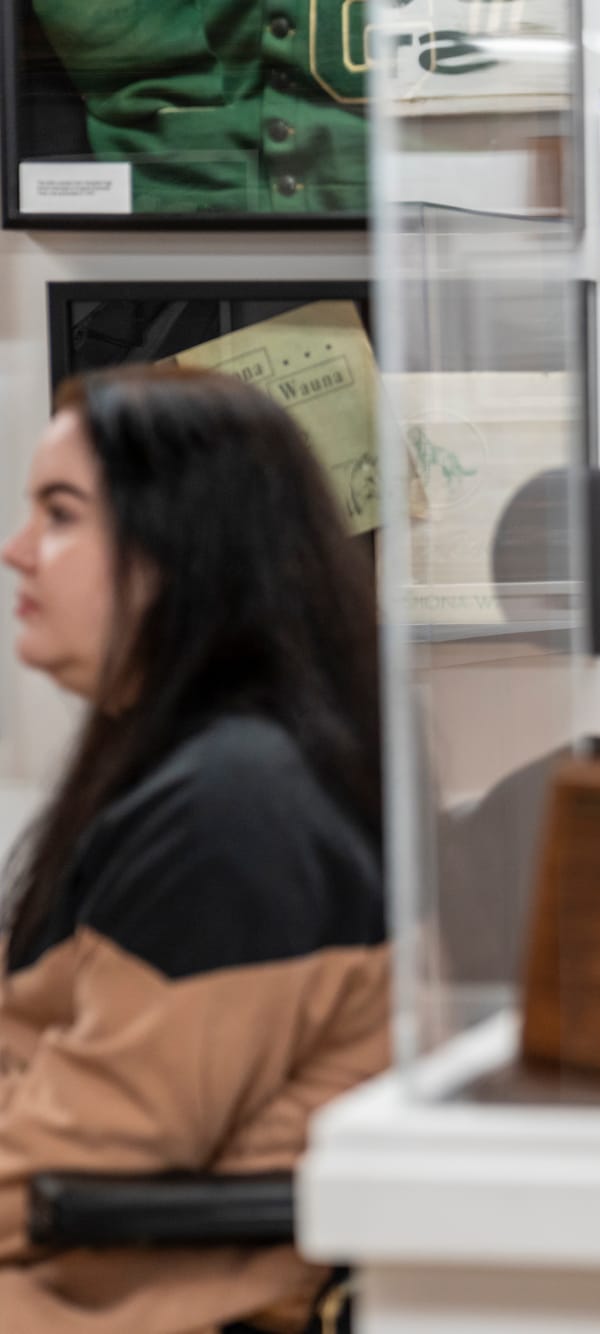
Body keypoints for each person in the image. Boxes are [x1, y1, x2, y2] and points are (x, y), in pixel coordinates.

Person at [0, 367, 387, 1332]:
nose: (16, 553)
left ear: (181, 550)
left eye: (59, 515)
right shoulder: (208, 768)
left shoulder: (231, 813)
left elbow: (78, 1159)